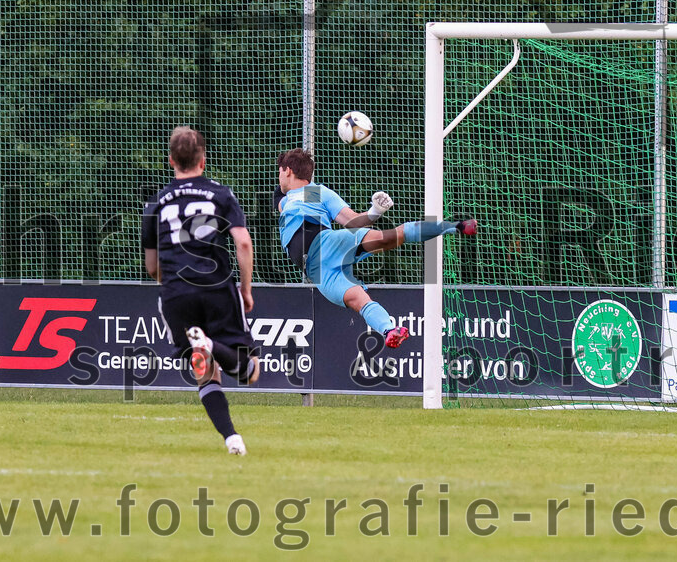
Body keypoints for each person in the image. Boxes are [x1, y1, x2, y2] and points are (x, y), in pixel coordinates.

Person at [273, 148, 476, 348]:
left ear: (288, 170)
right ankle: (389, 330)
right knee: (358, 299)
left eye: (280, 170)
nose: (279, 176)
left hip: (325, 243)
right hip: (317, 270)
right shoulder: (284, 198)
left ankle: (455, 226)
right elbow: (281, 200)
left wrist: (374, 212)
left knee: (388, 238)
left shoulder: (316, 192)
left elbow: (352, 221)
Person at [142, 126, 259, 456]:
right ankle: (208, 343)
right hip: (216, 285)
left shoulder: (155, 202)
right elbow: (243, 242)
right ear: (203, 161)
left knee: (205, 372)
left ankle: (231, 438)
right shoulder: (220, 194)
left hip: (175, 292)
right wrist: (246, 289)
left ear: (170, 161)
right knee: (249, 371)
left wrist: (175, 287)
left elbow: (153, 268)